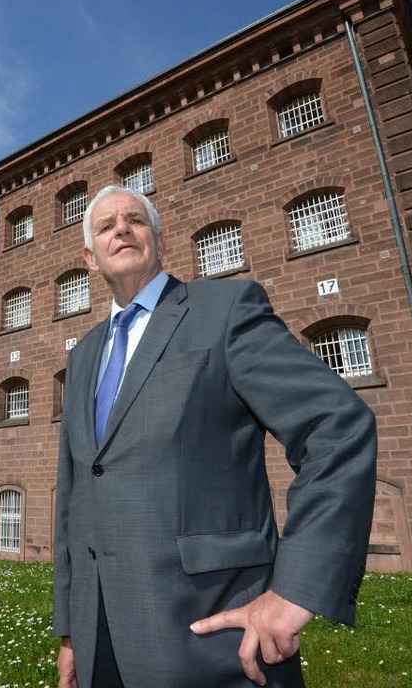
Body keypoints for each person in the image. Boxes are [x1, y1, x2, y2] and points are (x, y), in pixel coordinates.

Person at [52, 185, 377, 688]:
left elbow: (337, 425)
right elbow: (75, 495)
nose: (121, 228)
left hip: (210, 637)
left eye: (135, 220)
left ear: (159, 242)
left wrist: (296, 592)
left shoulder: (224, 310)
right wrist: (72, 631)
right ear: (89, 258)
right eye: (105, 225)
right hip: (103, 640)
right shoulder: (82, 357)